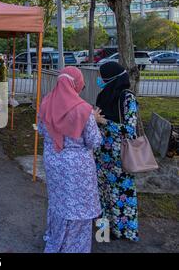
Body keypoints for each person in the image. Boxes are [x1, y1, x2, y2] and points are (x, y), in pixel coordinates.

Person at [38, 66, 102, 253]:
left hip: (53, 162)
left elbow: (42, 130)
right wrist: (95, 121)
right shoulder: (84, 110)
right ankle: (73, 248)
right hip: (77, 168)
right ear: (77, 83)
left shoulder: (46, 102)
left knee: (58, 203)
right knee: (78, 209)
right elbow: (94, 141)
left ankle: (55, 239)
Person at [94, 62, 139, 241]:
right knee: (102, 194)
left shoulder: (127, 98)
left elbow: (130, 130)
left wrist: (104, 122)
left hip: (121, 156)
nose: (101, 80)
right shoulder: (103, 95)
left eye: (104, 77)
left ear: (113, 78)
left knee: (121, 194)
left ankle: (123, 232)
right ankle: (103, 232)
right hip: (102, 154)